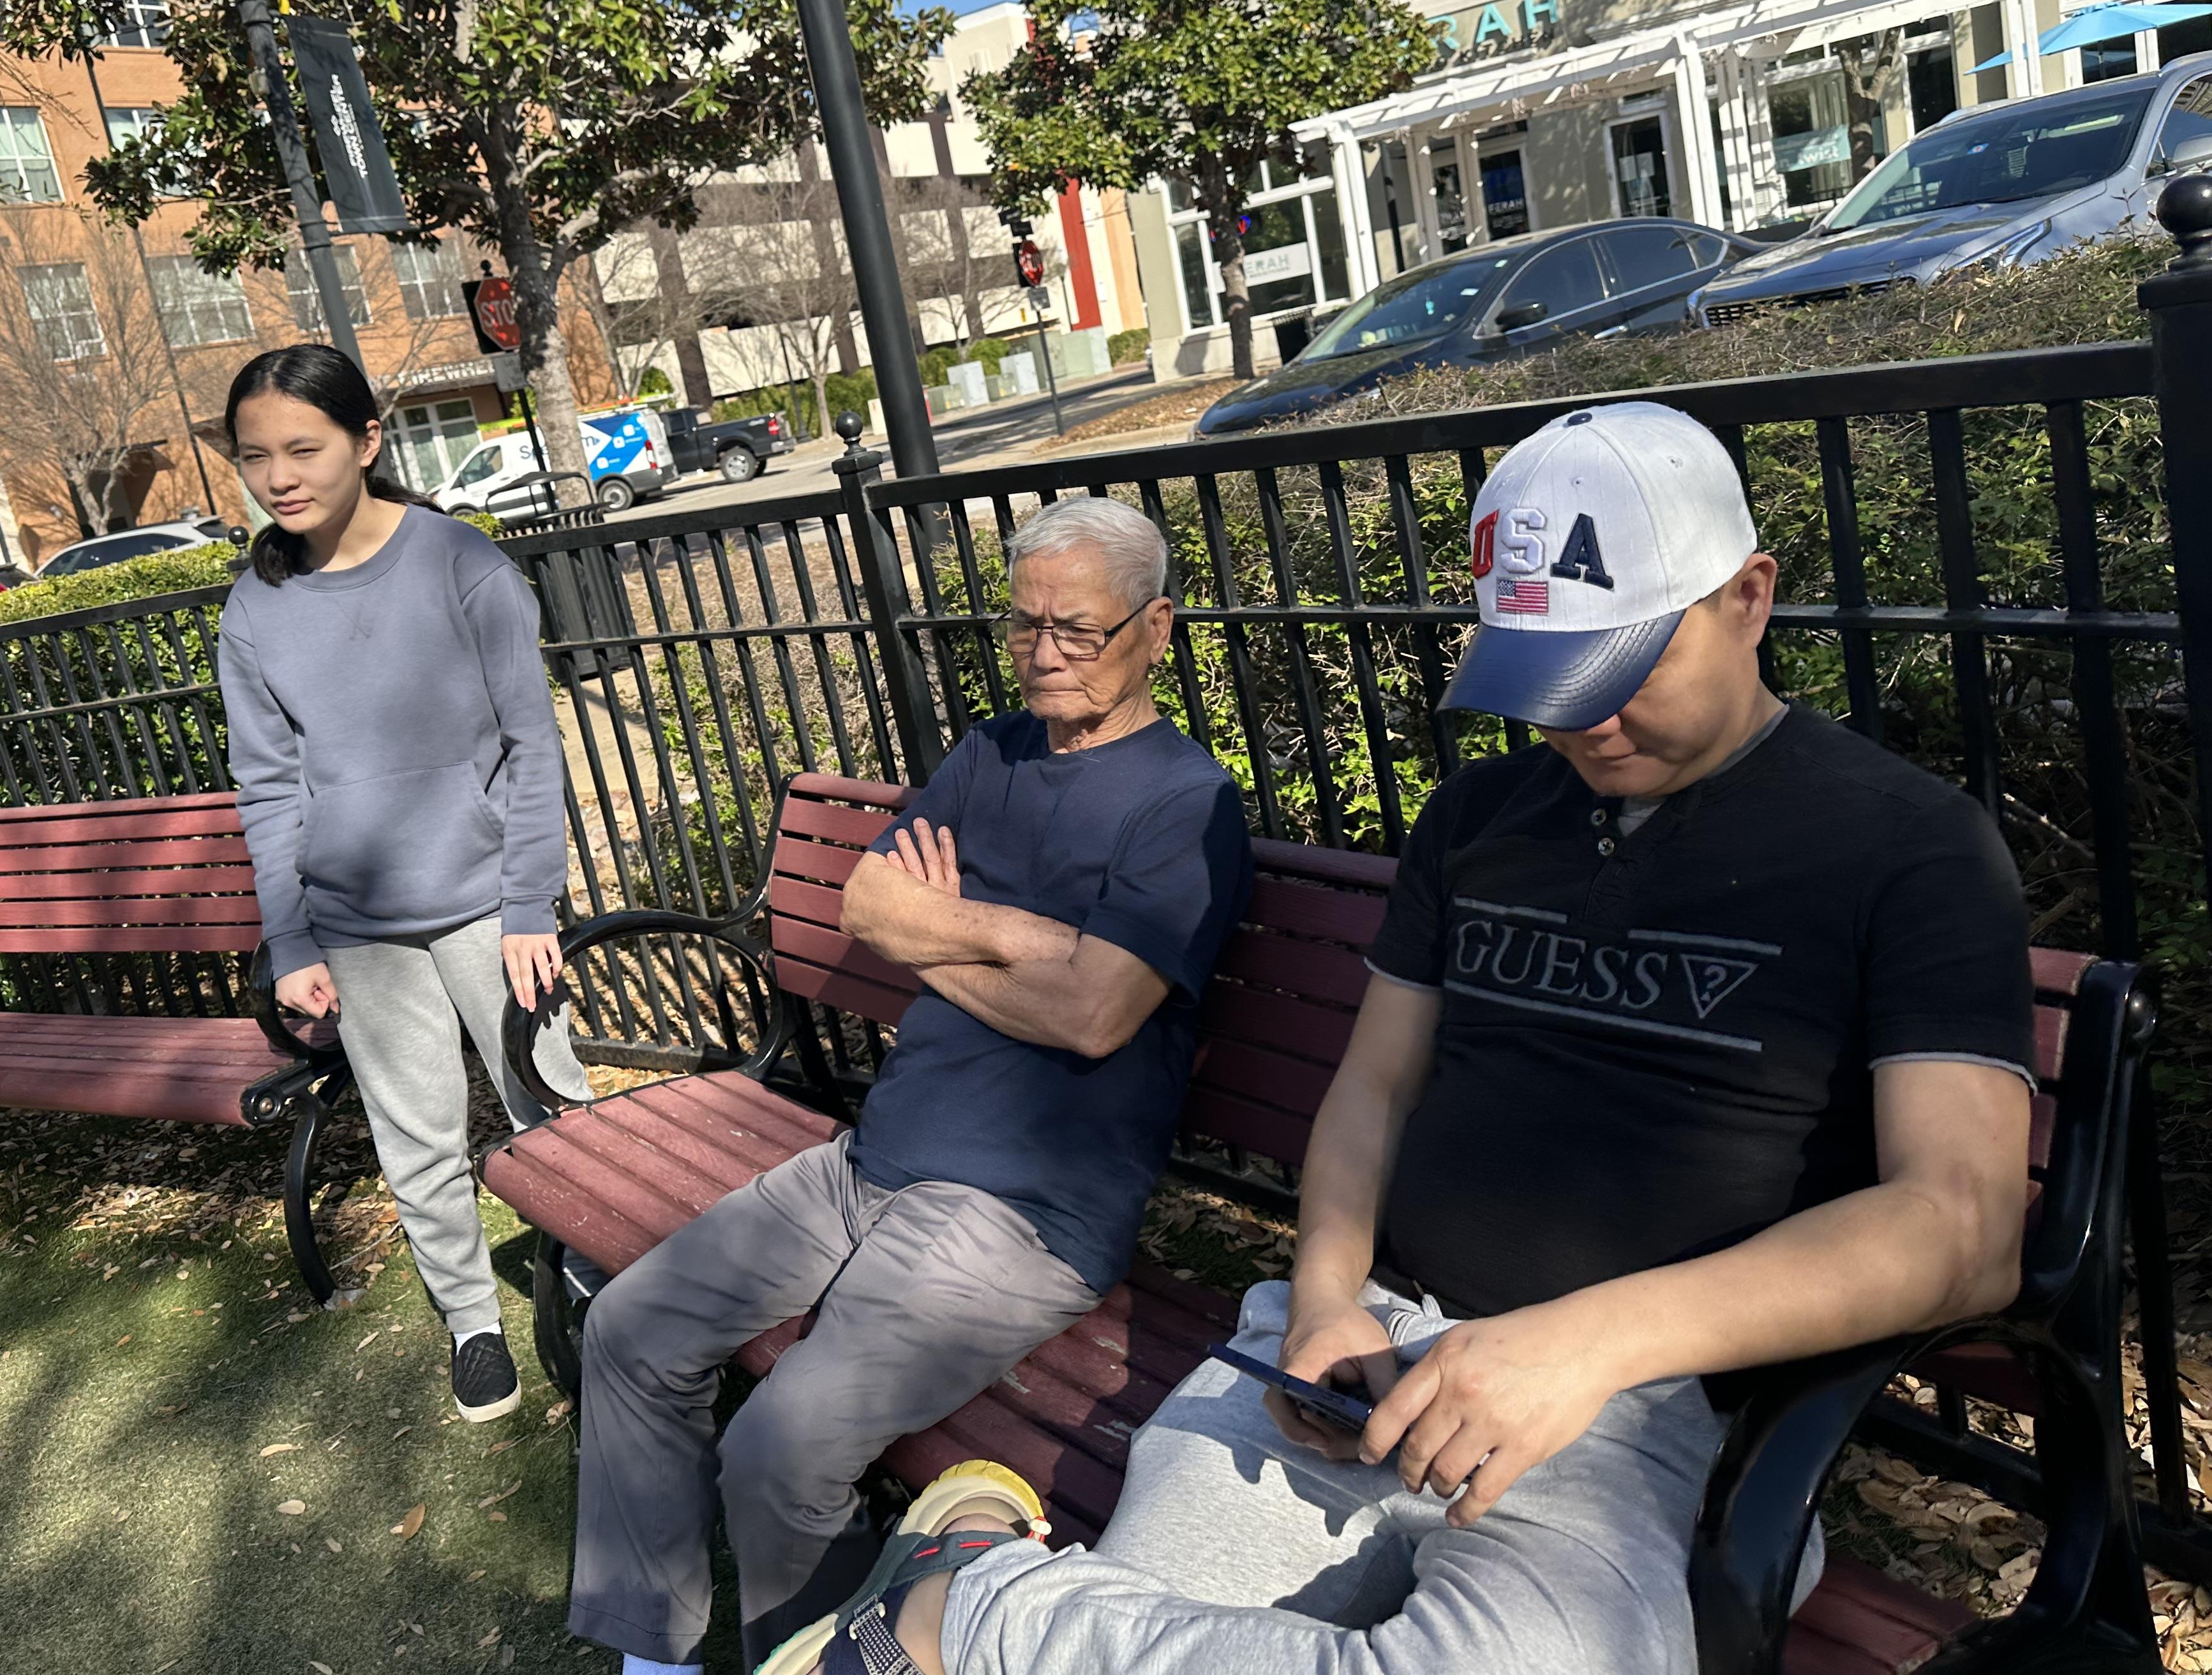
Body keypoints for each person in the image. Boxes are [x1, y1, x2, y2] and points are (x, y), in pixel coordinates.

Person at [765, 401, 2035, 1675]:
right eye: (1547, 680)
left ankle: (973, 1599)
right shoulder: (1482, 816)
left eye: (1619, 667)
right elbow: (1372, 1089)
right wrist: (1322, 1303)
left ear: (1748, 597)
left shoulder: (1905, 845)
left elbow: (1962, 1230)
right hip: (1359, 1361)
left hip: (1632, 1411)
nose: (1582, 722)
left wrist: (1583, 1344)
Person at [565, 495, 1254, 1675]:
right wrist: (1027, 938)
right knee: (627, 1326)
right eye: (1024, 624)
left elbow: (1097, 1016)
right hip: (865, 1160)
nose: (1044, 654)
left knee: (780, 1444)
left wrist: (943, 926)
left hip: (1019, 1215)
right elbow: (868, 906)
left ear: (1157, 628)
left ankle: (818, 1660)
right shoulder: (988, 752)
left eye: (1077, 631)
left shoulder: (1185, 805)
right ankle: (655, 1658)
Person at [219, 343, 590, 1426]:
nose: (280, 476)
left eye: (304, 448)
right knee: (416, 1132)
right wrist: (291, 943)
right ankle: (473, 1320)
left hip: (490, 911)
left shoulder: (460, 563)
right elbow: (267, 789)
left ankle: (592, 1277)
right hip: (359, 925)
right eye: (255, 457)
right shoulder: (255, 610)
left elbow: (533, 746)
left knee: (550, 1106)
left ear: (367, 440)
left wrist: (530, 907)